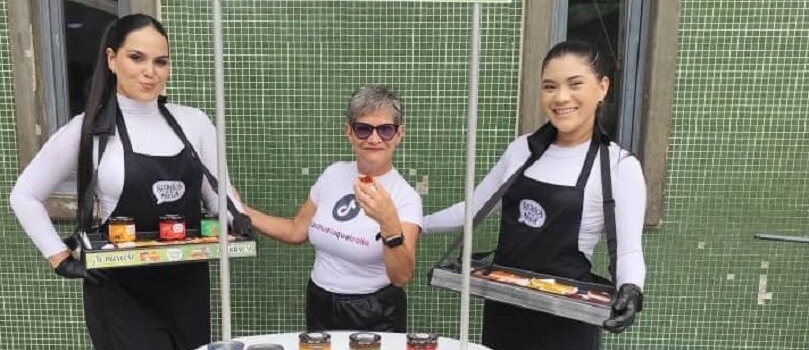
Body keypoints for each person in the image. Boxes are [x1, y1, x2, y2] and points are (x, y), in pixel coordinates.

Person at [10, 14, 251, 350]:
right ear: (112, 59)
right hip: (119, 291)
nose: (150, 71)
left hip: (187, 285)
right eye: (136, 58)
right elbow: (24, 195)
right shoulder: (88, 129)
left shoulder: (195, 123)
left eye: (160, 61)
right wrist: (58, 257)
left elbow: (217, 193)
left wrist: (237, 218)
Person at [424, 40, 646, 350]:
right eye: (550, 86)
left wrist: (632, 289)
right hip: (505, 311)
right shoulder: (522, 150)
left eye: (575, 84)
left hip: (568, 323)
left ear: (602, 87)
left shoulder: (620, 167)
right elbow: (474, 209)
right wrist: (414, 224)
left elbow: (628, 251)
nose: (561, 97)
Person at [243, 85, 422, 332]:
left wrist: (388, 222)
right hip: (320, 301)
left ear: (400, 134)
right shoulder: (333, 174)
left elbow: (401, 276)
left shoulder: (405, 197)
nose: (374, 139)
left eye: (385, 130)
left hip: (375, 310)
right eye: (363, 129)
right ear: (348, 132)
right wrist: (240, 211)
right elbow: (296, 230)